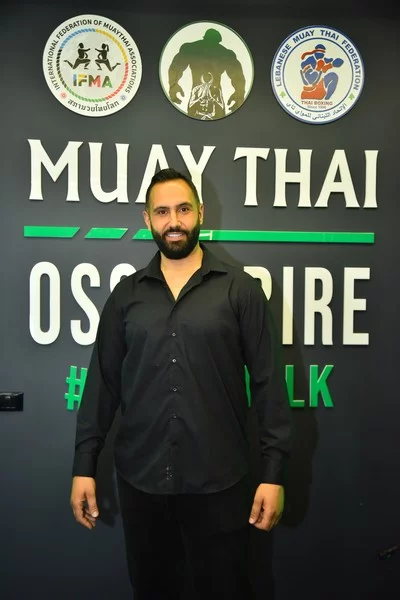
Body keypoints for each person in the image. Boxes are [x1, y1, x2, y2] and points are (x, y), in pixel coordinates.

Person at [70, 168, 293, 599]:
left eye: (183, 209)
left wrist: (273, 473)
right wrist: (84, 465)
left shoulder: (241, 291)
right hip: (141, 485)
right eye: (162, 212)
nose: (174, 221)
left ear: (201, 213)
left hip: (221, 484)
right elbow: (101, 387)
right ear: (147, 219)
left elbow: (269, 385)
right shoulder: (125, 297)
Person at [167, 28, 246, 120]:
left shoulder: (191, 49)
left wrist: (173, 85)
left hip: (204, 97)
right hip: (208, 97)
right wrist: (239, 95)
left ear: (205, 37)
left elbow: (175, 68)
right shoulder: (225, 53)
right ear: (218, 40)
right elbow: (238, 76)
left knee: (195, 122)